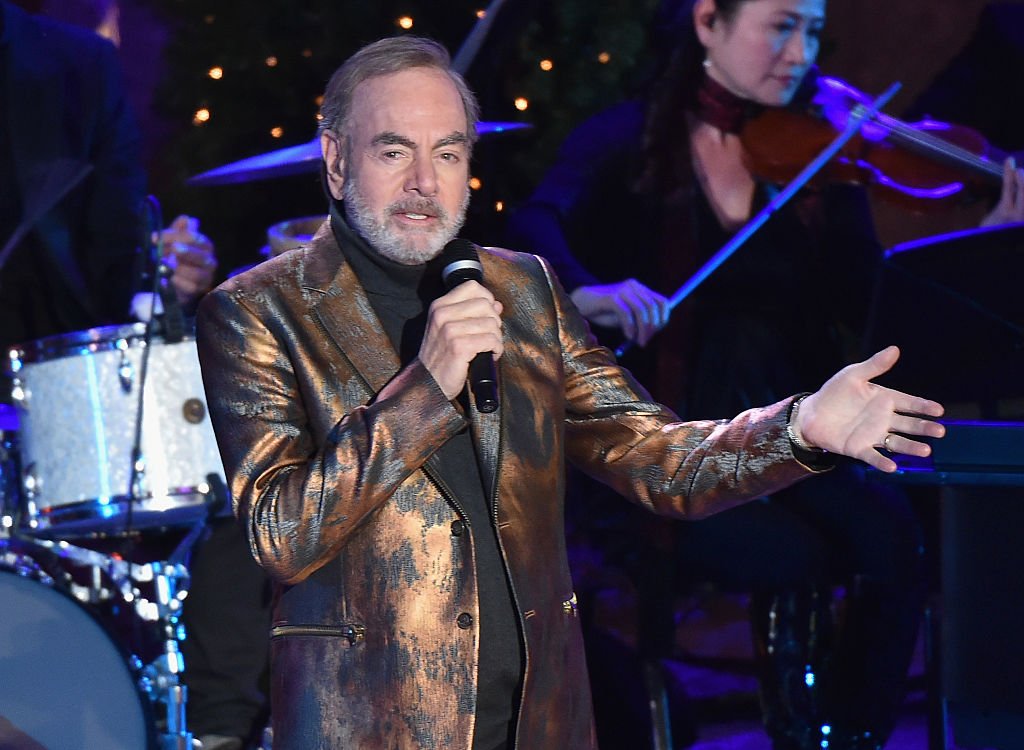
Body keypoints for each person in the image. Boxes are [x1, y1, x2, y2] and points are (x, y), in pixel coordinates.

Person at [194, 34, 945, 750]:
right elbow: (280, 534)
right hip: (371, 721)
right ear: (335, 162)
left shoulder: (521, 289)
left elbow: (656, 458)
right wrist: (426, 387)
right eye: (395, 152)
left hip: (538, 718)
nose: (425, 183)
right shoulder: (259, 311)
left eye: (447, 153)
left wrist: (801, 426)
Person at [503, 2, 1023, 748]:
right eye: (781, 25)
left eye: (812, 31)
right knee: (793, 553)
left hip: (799, 421)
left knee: (896, 541)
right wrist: (588, 290)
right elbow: (534, 226)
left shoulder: (820, 161)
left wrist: (982, 243)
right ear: (709, 22)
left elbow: (869, 303)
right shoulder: (632, 138)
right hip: (673, 435)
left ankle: (848, 737)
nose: (801, 52)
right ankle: (797, 731)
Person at [0, 4, 268, 749]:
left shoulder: (77, 67)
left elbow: (120, 252)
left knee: (230, 451)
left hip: (55, 389)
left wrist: (162, 273)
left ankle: (215, 729)